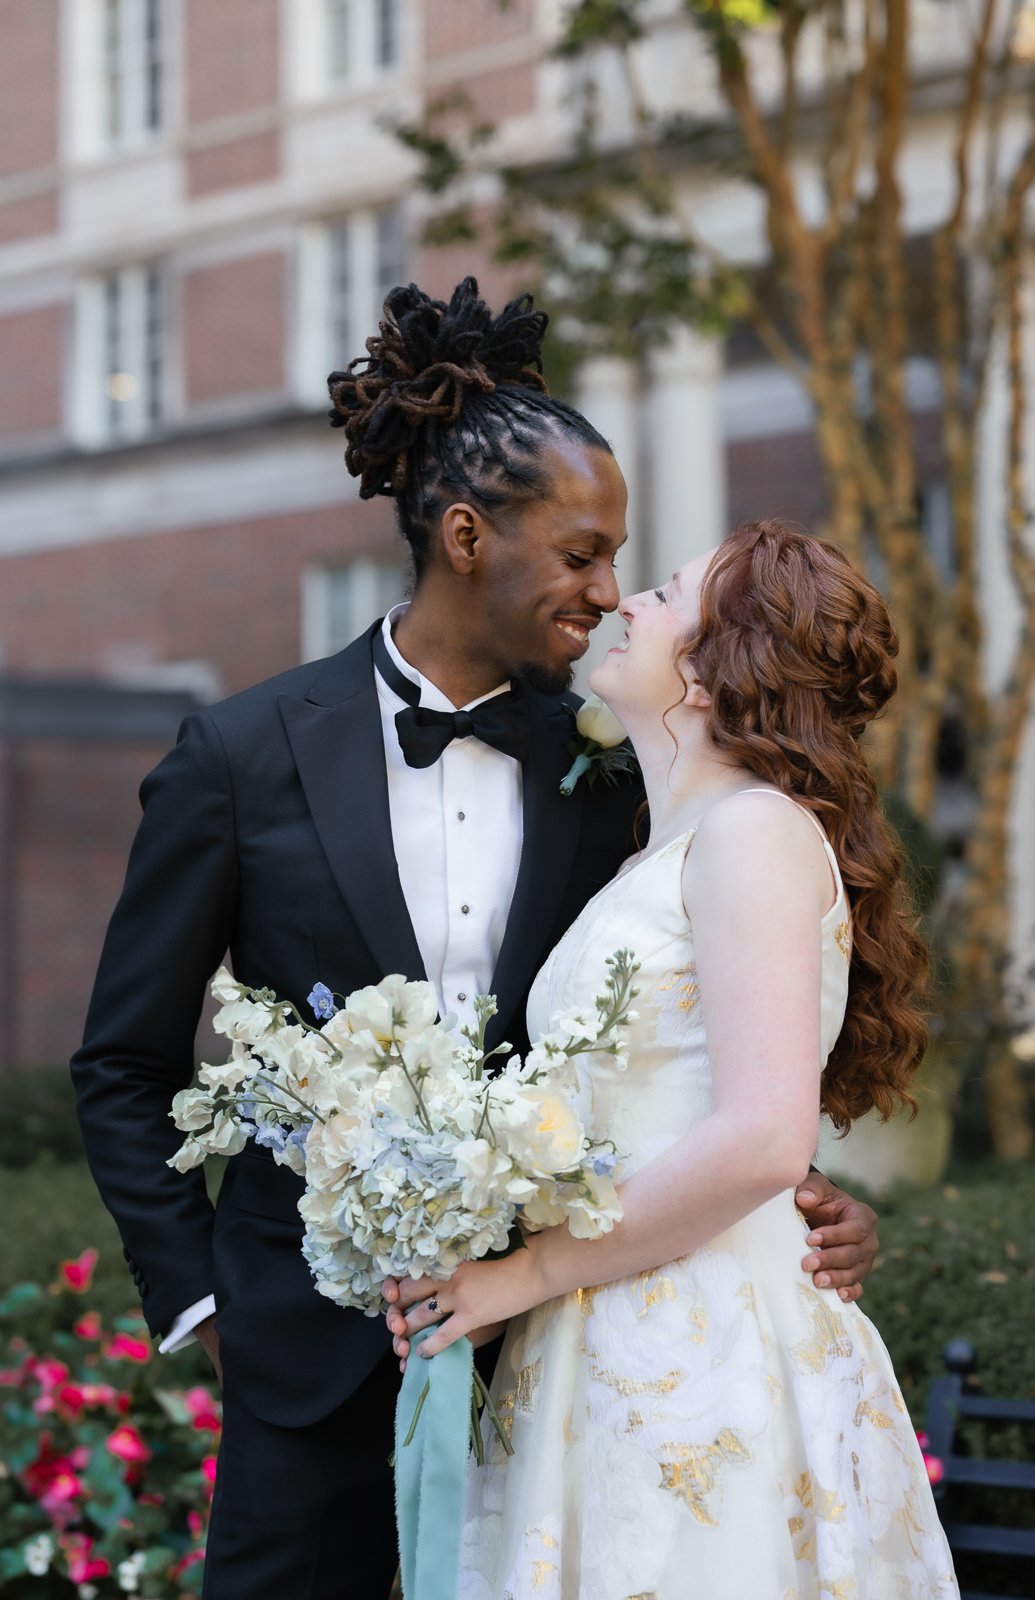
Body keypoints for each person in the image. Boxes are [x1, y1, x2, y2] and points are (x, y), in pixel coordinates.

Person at [72, 282, 878, 1599]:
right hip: (301, 1355)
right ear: (464, 535)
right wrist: (208, 1307)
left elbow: (696, 1038)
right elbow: (122, 1063)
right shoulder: (238, 753)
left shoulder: (621, 773)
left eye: (623, 561)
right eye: (581, 554)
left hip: (558, 1345)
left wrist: (793, 1199)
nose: (608, 593)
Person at [386, 520, 959, 1598]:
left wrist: (520, 1275)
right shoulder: (672, 844)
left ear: (709, 668)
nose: (626, 605)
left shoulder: (754, 832)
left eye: (662, 593)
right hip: (604, 1332)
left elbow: (761, 1138)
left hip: (702, 1356)